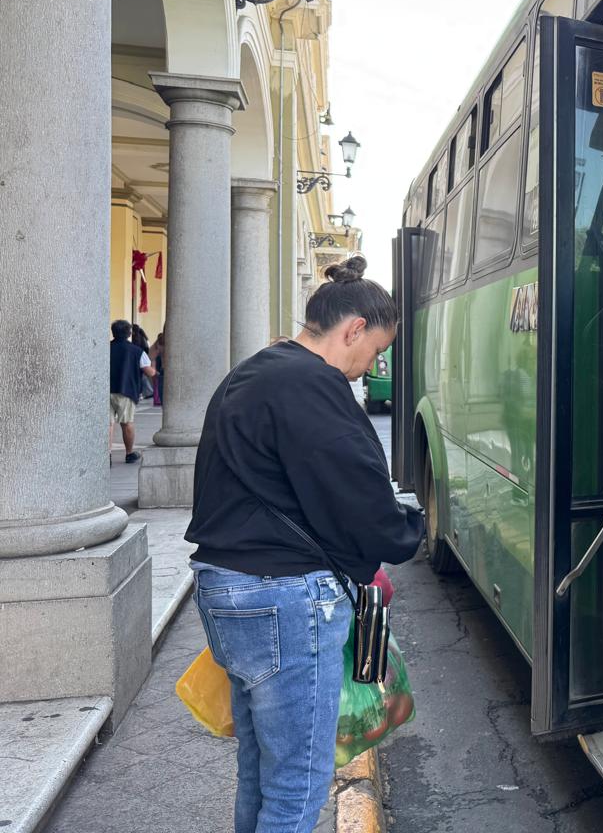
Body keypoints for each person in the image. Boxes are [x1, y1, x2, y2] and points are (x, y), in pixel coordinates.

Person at [186, 255, 425, 833]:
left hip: (224, 589)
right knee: (297, 786)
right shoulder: (315, 385)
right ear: (354, 330)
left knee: (262, 772)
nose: (365, 371)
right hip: (284, 601)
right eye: (372, 355)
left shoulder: (253, 372)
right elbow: (360, 499)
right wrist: (407, 529)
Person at [109, 319, 157, 463]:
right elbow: (149, 372)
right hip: (126, 391)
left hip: (106, 390)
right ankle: (129, 453)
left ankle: (107, 454)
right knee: (127, 423)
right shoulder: (137, 351)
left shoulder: (105, 348)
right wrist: (156, 371)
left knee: (108, 424)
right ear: (129, 333)